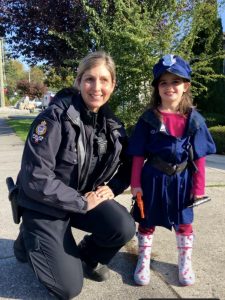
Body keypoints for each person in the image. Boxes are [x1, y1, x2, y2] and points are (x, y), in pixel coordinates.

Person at [13, 51, 136, 299]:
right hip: (42, 205)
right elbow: (36, 179)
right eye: (90, 79)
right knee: (68, 288)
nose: (97, 87)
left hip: (80, 201)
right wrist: (81, 202)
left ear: (113, 85)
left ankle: (87, 257)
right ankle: (28, 238)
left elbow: (129, 164)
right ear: (79, 82)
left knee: (123, 226)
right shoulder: (53, 119)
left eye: (104, 80)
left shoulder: (112, 125)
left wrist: (113, 187)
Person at [128, 54, 216, 286]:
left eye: (175, 82)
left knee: (184, 221)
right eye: (163, 82)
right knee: (146, 220)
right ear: (157, 87)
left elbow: (200, 157)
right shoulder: (148, 119)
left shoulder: (194, 120)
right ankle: (143, 259)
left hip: (183, 180)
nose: (169, 87)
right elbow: (138, 154)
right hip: (152, 179)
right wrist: (135, 184)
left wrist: (198, 188)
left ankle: (185, 261)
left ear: (185, 86)